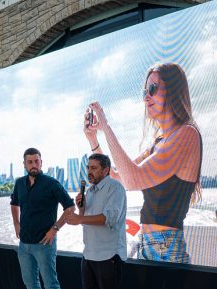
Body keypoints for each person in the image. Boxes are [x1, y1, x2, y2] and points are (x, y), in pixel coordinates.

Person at [83, 62, 202, 263]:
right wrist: (94, 140)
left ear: (173, 90)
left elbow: (132, 180)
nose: (147, 97)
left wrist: (106, 126)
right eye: (145, 91)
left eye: (153, 89)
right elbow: (120, 178)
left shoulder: (186, 134)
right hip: (149, 243)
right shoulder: (160, 142)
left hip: (166, 247)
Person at [66, 153, 127, 289]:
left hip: (108, 254)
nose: (89, 171)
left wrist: (80, 217)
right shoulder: (89, 191)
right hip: (89, 253)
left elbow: (108, 218)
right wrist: (81, 205)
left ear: (106, 169)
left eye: (94, 168)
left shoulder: (115, 188)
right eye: (88, 167)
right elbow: (86, 219)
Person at [10, 147, 75, 289]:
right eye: (29, 162)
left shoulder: (51, 183)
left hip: (44, 243)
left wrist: (55, 229)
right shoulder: (20, 183)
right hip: (25, 244)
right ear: (24, 164)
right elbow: (14, 203)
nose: (33, 165)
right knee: (31, 283)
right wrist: (16, 223)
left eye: (36, 161)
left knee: (51, 284)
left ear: (41, 162)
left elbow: (70, 208)